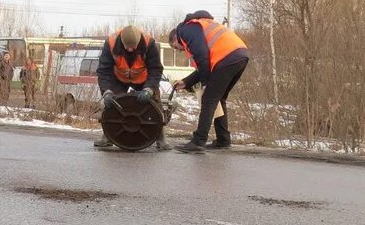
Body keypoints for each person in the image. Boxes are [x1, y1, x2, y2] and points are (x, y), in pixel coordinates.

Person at [169, 10, 249, 153]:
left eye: (176, 47)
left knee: (209, 99)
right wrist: (186, 82)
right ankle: (223, 140)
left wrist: (205, 83)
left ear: (176, 37)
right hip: (240, 54)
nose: (179, 50)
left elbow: (202, 56)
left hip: (226, 57)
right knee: (219, 98)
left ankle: (198, 141)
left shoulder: (185, 30)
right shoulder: (202, 25)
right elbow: (203, 65)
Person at [94, 25, 166, 149]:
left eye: (133, 47)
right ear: (122, 43)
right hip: (119, 77)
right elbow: (104, 70)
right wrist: (106, 91)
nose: (130, 50)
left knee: (155, 102)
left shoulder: (149, 43)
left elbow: (155, 69)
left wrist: (149, 89)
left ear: (139, 43)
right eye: (127, 46)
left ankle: (161, 137)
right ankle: (108, 136)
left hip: (143, 79)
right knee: (112, 103)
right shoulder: (110, 43)